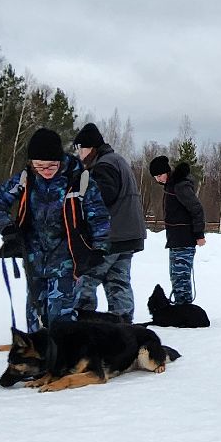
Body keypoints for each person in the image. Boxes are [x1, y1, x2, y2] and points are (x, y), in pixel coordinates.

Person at [0, 127, 110, 332]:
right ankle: (38, 357)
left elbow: (98, 217)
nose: (45, 171)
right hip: (34, 257)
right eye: (39, 166)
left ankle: (62, 358)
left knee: (60, 315)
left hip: (67, 257)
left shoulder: (79, 180)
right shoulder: (26, 179)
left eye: (51, 165)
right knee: (35, 313)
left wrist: (100, 248)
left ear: (60, 159)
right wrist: (7, 227)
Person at [72, 122, 145, 319]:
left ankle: (81, 322)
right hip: (127, 236)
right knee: (118, 281)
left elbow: (104, 196)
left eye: (79, 148)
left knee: (85, 278)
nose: (78, 154)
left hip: (111, 236)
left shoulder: (104, 165)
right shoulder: (116, 160)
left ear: (90, 148)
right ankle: (123, 325)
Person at [149, 153, 206, 304]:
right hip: (175, 240)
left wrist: (199, 234)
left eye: (160, 175)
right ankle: (181, 305)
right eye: (155, 177)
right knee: (175, 276)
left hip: (184, 239)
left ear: (167, 171)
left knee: (181, 277)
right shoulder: (170, 186)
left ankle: (185, 308)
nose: (158, 179)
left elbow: (197, 209)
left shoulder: (180, 186)